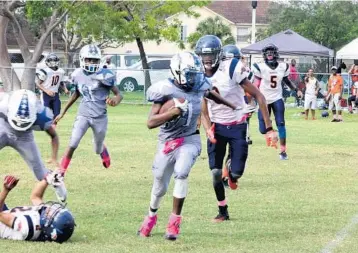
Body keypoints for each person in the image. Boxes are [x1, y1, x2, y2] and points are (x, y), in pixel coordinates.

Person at [137, 51, 241, 240]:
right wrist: (173, 113)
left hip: (189, 138)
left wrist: (233, 106)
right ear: (177, 72)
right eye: (189, 74)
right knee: (160, 182)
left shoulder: (199, 85)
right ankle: (151, 217)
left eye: (195, 73)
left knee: (182, 171)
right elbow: (150, 122)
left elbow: (211, 94)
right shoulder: (164, 89)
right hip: (167, 141)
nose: (193, 78)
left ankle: (174, 222)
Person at [195, 35, 278, 222]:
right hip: (216, 126)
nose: (207, 60)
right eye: (203, 56)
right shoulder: (198, 72)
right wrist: (207, 127)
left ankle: (232, 172)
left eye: (210, 56)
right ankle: (222, 210)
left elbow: (258, 95)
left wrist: (269, 128)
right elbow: (203, 105)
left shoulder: (231, 67)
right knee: (215, 174)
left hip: (237, 125)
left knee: (236, 173)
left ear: (219, 54)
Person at [55, 44, 123, 174]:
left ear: (99, 60)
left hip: (100, 117)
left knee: (97, 148)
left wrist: (115, 100)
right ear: (82, 59)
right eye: (89, 59)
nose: (92, 62)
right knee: (73, 143)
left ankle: (102, 149)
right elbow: (76, 94)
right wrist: (62, 112)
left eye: (95, 60)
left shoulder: (106, 75)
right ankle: (61, 172)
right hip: (83, 114)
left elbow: (119, 94)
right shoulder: (77, 74)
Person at [0, 89, 67, 203]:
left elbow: (54, 136)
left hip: (24, 137)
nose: (18, 125)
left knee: (41, 174)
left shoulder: (41, 115)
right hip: (3, 129)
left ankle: (55, 179)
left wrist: (54, 157)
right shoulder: (3, 104)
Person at [252, 44, 302, 160]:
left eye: (271, 51)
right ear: (264, 54)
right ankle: (272, 133)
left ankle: (283, 151)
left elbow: (286, 80)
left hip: (277, 98)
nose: (269, 54)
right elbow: (256, 84)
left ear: (276, 53)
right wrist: (253, 97)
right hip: (263, 100)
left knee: (281, 124)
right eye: (267, 52)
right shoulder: (260, 67)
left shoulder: (283, 66)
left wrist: (296, 90)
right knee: (262, 129)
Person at [0, 173, 75, 243]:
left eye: (52, 214)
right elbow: (35, 197)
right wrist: (47, 179)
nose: (50, 209)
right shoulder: (43, 222)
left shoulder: (28, 226)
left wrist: (6, 190)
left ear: (51, 226)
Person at [36, 53, 69, 121]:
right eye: (51, 61)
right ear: (47, 62)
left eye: (54, 61)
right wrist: (47, 91)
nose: (53, 63)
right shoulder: (45, 71)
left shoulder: (61, 71)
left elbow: (61, 82)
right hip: (45, 95)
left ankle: (53, 126)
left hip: (55, 94)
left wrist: (65, 89)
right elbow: (38, 84)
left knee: (57, 114)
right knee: (45, 113)